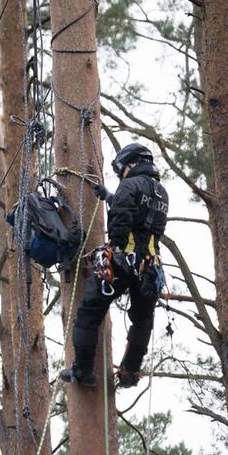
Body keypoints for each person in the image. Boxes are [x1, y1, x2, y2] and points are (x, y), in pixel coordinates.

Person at [60, 143, 169, 388]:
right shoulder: (161, 192)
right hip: (151, 266)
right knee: (142, 320)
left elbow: (122, 220)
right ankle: (130, 371)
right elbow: (142, 218)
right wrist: (110, 197)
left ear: (132, 163)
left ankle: (83, 370)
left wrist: (115, 248)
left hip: (123, 261)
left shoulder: (129, 185)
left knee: (90, 310)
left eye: (122, 169)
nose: (121, 174)